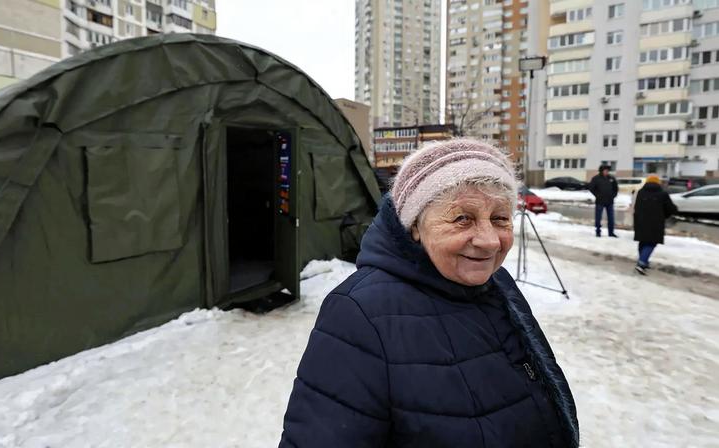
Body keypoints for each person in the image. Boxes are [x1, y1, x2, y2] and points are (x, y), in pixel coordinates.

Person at [279, 138, 578, 447]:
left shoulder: (499, 285)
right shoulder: (360, 314)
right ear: (415, 226)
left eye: (500, 218)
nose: (490, 241)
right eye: (462, 218)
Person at [633, 174, 677, 275]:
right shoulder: (662, 193)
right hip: (655, 222)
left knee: (643, 241)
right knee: (651, 242)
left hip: (641, 221)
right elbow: (670, 208)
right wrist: (665, 215)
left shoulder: (640, 192)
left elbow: (636, 207)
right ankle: (641, 263)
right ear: (658, 182)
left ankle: (643, 261)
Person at [587, 164, 619, 237]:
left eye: (607, 171)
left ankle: (611, 232)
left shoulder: (611, 178)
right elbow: (591, 188)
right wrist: (597, 195)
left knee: (611, 218)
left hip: (610, 201)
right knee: (598, 217)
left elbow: (616, 188)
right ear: (601, 171)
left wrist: (613, 195)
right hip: (600, 201)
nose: (606, 172)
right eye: (605, 170)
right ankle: (598, 231)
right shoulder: (596, 178)